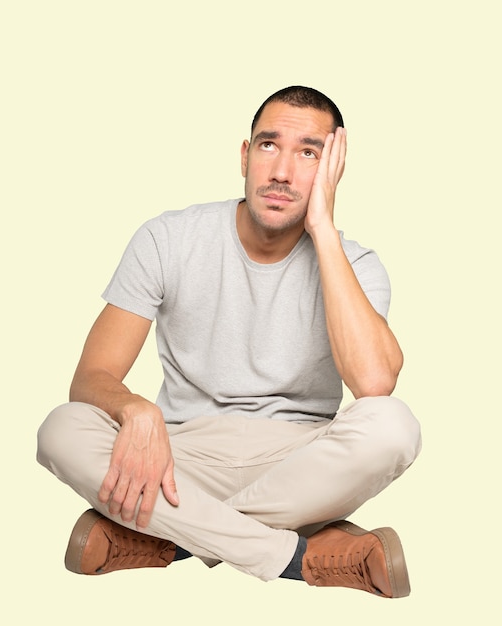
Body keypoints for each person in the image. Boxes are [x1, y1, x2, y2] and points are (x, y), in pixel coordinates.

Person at [37, 85, 422, 598]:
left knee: (394, 425)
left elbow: (374, 381)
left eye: (308, 153)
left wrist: (324, 229)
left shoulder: (357, 265)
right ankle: (297, 557)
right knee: (62, 429)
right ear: (245, 155)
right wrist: (134, 408)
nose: (282, 171)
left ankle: (168, 539)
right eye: (268, 146)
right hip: (177, 459)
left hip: (298, 464)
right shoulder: (168, 238)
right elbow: (90, 379)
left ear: (333, 169)